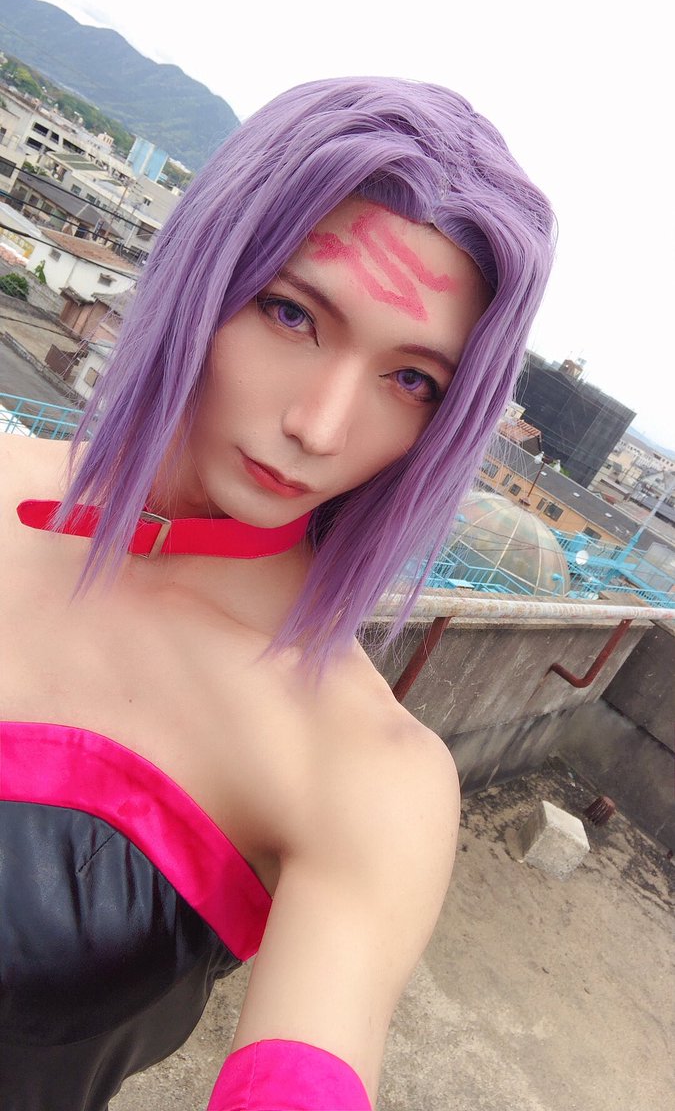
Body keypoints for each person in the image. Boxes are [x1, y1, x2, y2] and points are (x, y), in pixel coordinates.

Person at [0, 77, 555, 1110]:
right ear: (207, 272)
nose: (320, 426)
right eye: (292, 313)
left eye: (411, 380)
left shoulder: (365, 770)